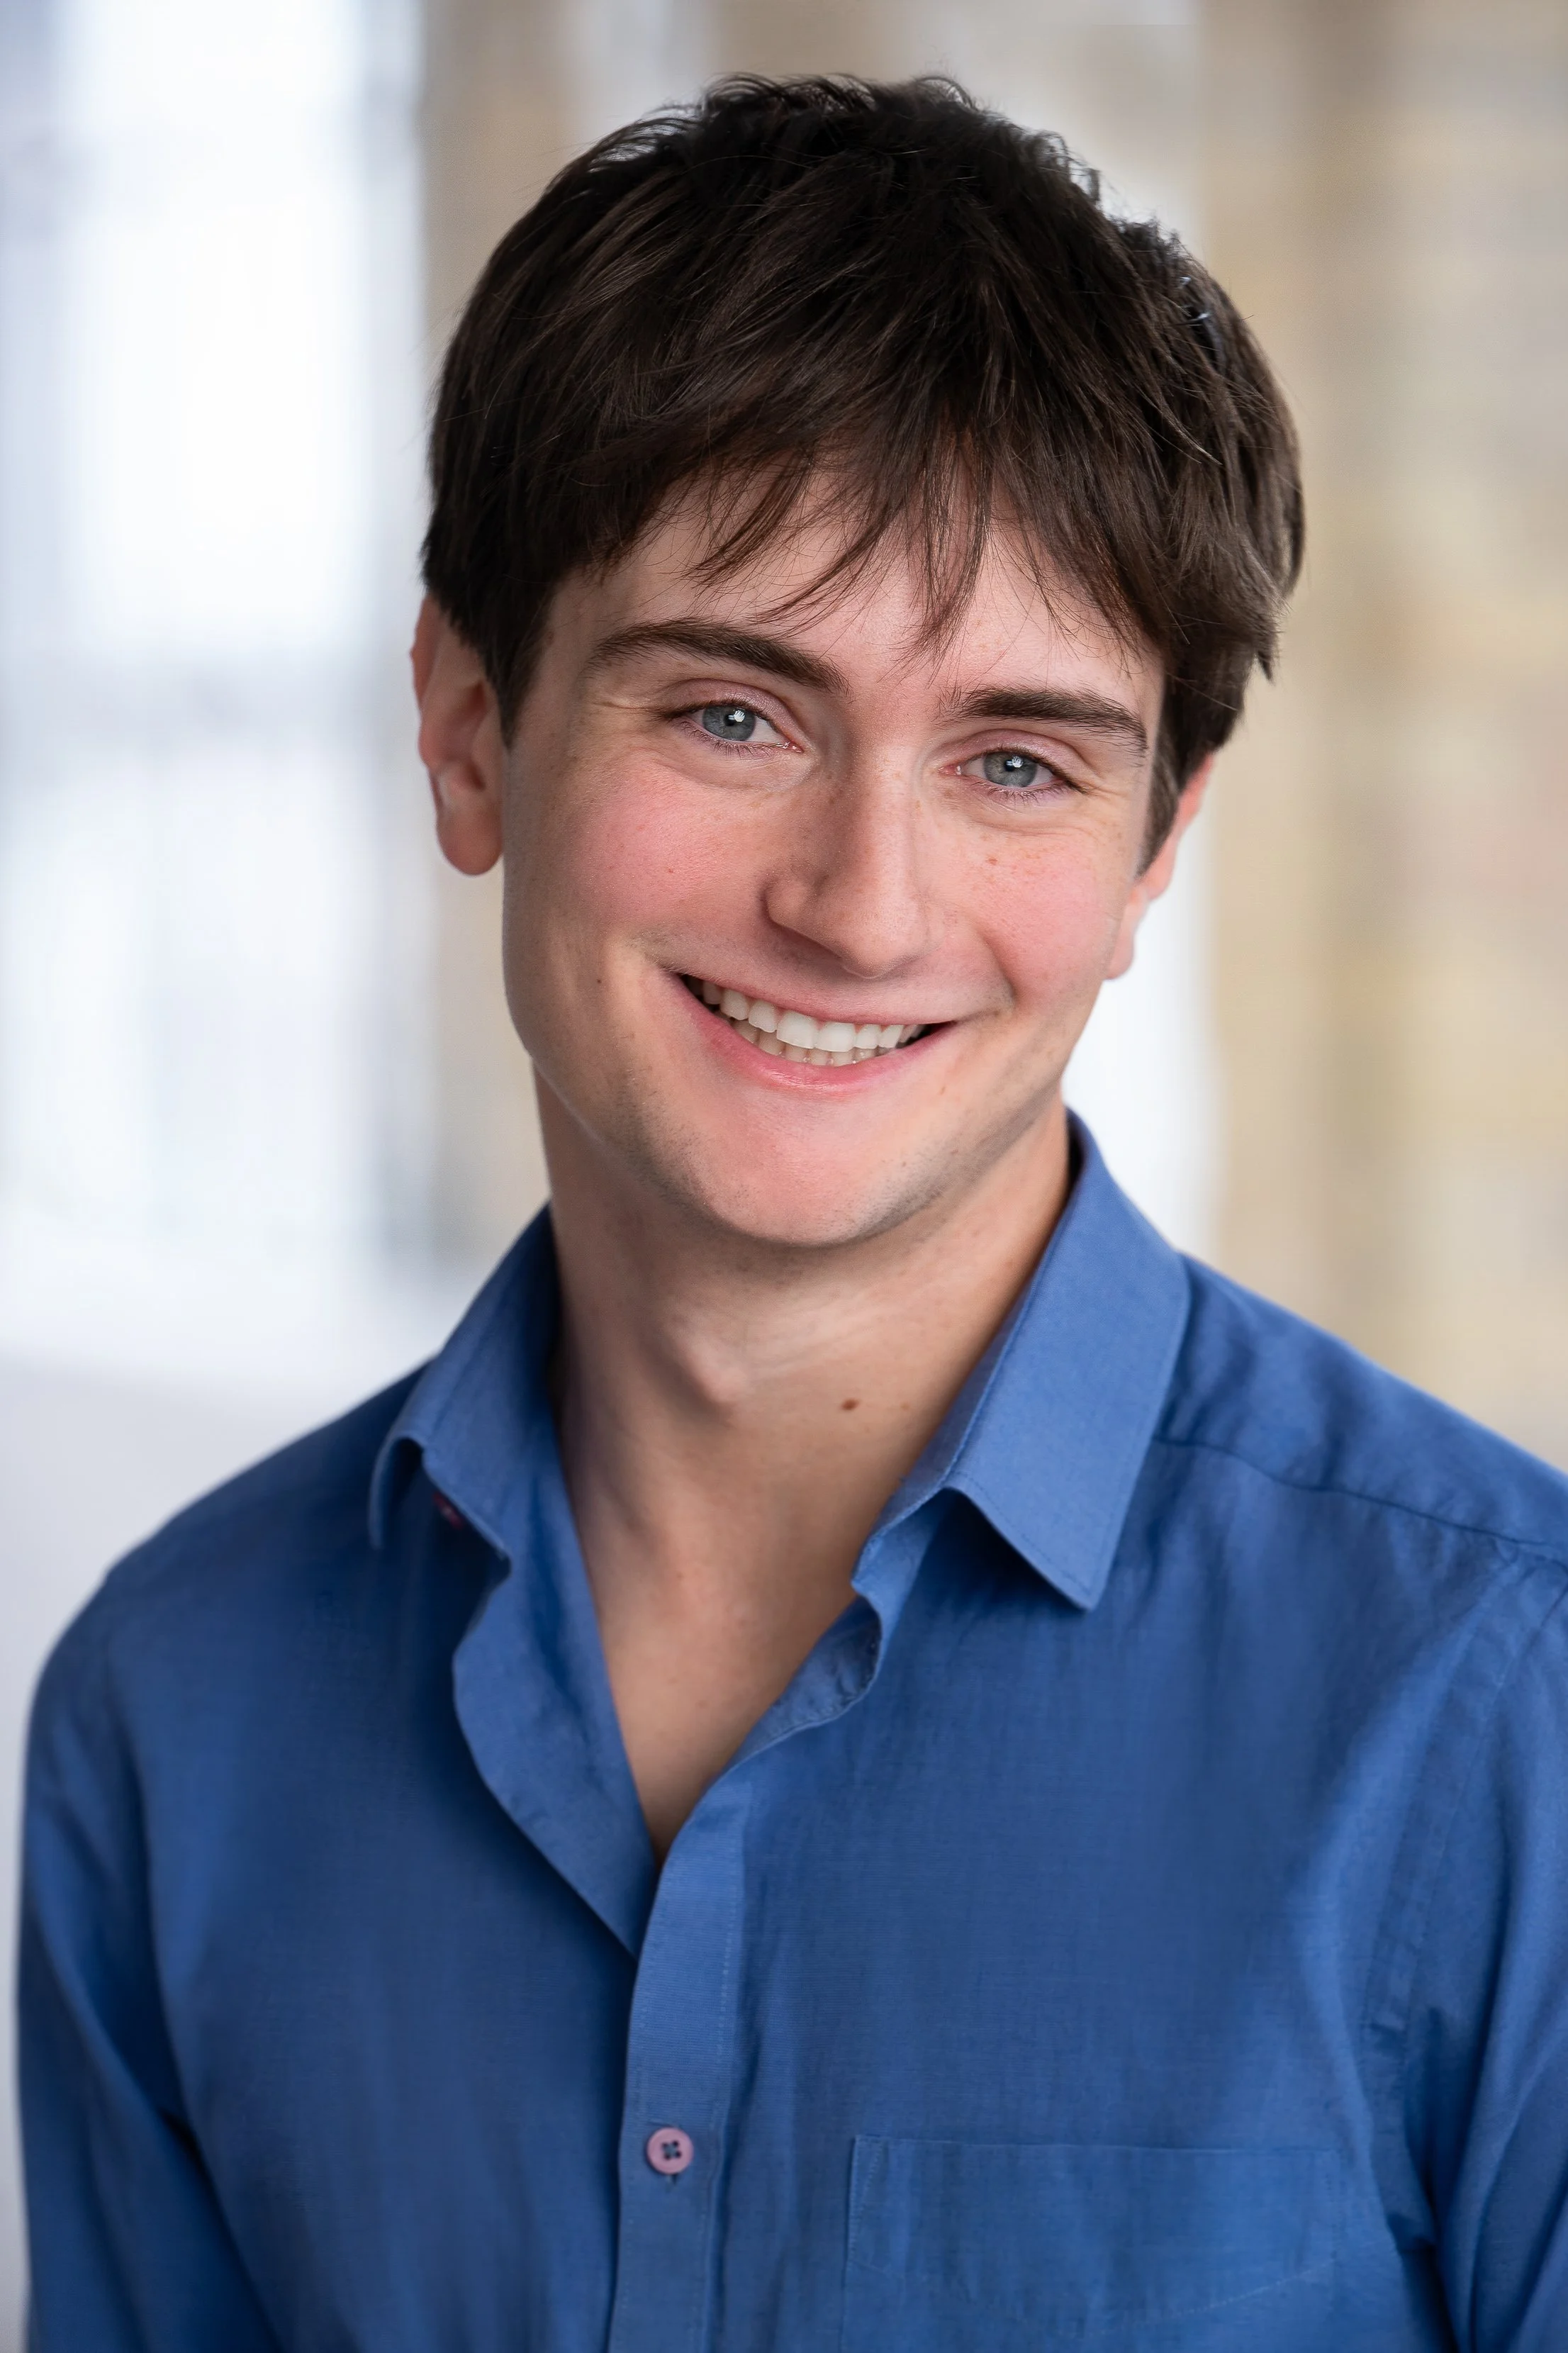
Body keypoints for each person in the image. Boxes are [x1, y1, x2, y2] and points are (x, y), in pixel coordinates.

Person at [18, 74, 1568, 2352]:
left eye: (1018, 760)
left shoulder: (1506, 1707)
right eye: (735, 713)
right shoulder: (175, 1712)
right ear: (466, 725)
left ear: (1156, 846)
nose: (862, 903)